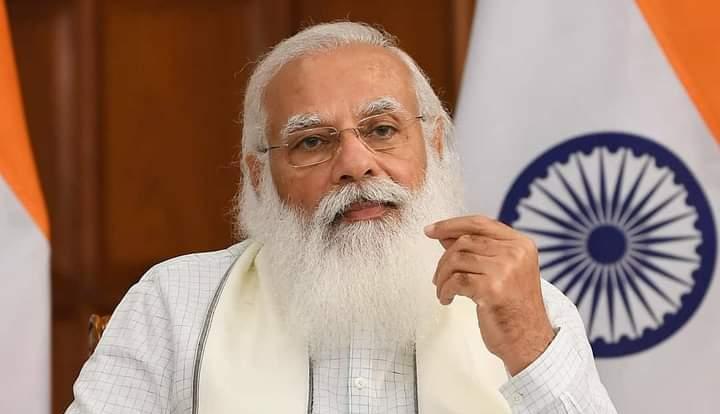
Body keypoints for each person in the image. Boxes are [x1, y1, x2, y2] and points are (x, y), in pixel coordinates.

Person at [66, 22, 616, 413]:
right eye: (312, 141)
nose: (355, 164)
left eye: (382, 130)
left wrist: (526, 340)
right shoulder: (175, 303)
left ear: (434, 146)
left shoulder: (524, 305)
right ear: (258, 176)